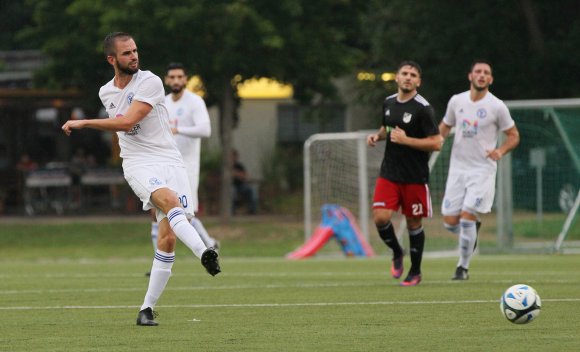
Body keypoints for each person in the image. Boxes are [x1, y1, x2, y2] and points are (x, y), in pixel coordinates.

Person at [61, 32, 221, 326]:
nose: (134, 56)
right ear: (112, 59)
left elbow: (127, 121)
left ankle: (146, 309)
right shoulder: (105, 92)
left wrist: (84, 122)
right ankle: (204, 252)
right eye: (126, 53)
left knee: (168, 237)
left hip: (170, 161)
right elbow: (124, 127)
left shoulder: (151, 81)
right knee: (170, 203)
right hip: (138, 163)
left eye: (135, 51)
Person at [439, 59, 520, 280]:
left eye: (486, 73)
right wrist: (436, 140)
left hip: (482, 170)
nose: (482, 75)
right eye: (478, 71)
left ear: (490, 79)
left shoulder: (497, 106)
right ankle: (471, 231)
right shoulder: (457, 101)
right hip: (458, 169)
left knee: (466, 217)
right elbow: (445, 126)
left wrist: (500, 151)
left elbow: (514, 136)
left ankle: (462, 268)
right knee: (449, 223)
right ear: (470, 76)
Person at [366, 60, 442, 287]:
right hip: (389, 172)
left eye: (413, 75)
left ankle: (415, 272)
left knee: (413, 223)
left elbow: (437, 142)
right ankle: (397, 252)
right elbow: (387, 126)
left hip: (415, 176)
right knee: (380, 218)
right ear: (397, 78)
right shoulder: (388, 103)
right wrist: (377, 136)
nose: (408, 77)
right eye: (404, 73)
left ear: (418, 81)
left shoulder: (423, 108)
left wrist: (406, 140)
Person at [147, 62, 218, 266]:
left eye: (180, 77)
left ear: (185, 79)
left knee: (186, 214)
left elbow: (205, 130)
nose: (176, 80)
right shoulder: (163, 102)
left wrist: (180, 130)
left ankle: (209, 246)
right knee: (156, 212)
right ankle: (157, 261)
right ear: (167, 80)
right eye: (172, 77)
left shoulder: (195, 102)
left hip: (186, 165)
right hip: (163, 163)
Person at [232, 149, 257, 215]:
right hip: (231, 186)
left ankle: (252, 210)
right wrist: (237, 175)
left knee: (252, 189)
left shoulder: (240, 166)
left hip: (241, 186)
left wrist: (237, 174)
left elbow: (245, 176)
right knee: (232, 191)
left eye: (235, 156)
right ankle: (232, 211)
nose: (234, 158)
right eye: (232, 156)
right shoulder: (226, 166)